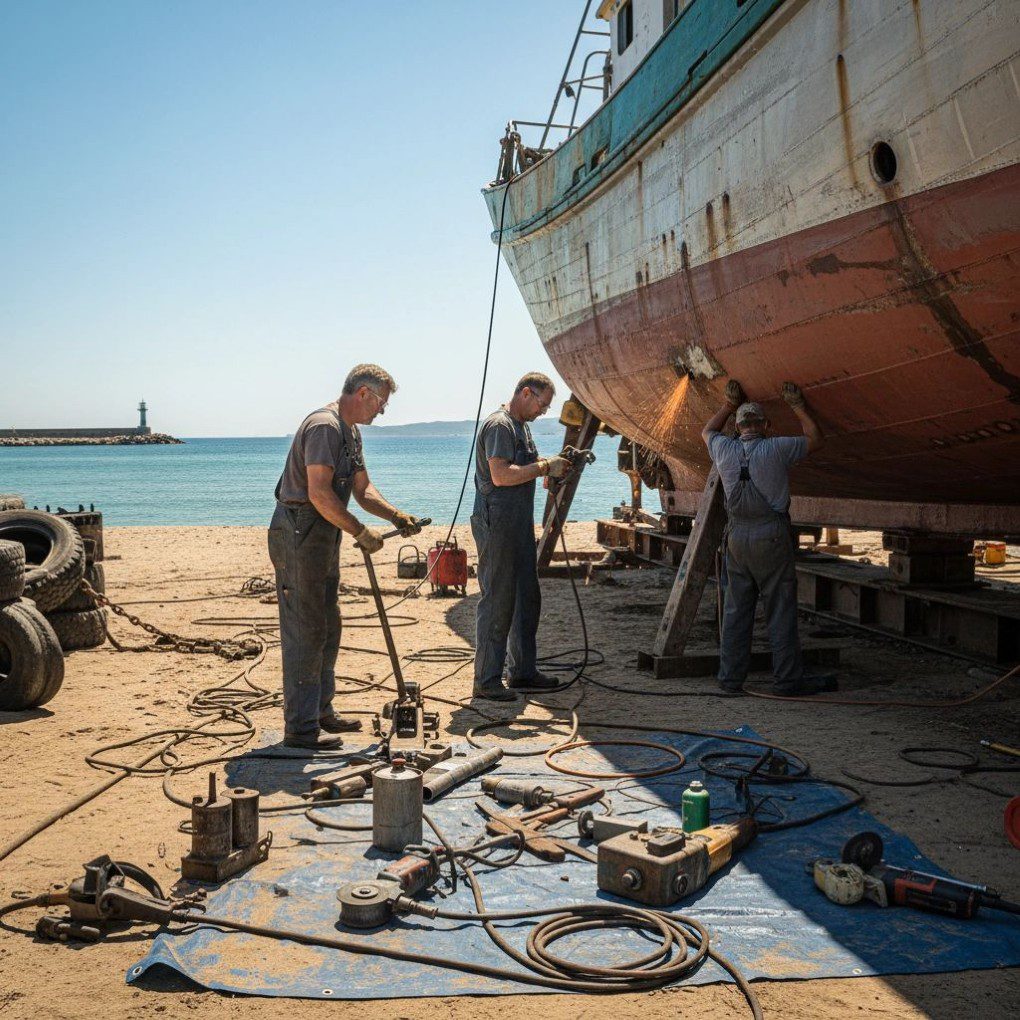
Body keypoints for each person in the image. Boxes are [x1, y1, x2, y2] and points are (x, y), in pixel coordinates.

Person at [269, 364, 422, 748]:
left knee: (328, 624)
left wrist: (395, 516)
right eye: (382, 402)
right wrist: (359, 530)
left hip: (323, 531)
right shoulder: (324, 426)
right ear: (363, 393)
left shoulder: (350, 432)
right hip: (300, 530)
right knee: (306, 629)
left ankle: (321, 711)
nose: (383, 411)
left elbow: (362, 489)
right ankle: (301, 729)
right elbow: (320, 493)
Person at [701, 380, 836, 696]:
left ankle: (730, 680)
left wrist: (728, 404)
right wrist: (797, 404)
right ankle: (787, 681)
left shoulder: (722, 448)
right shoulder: (777, 448)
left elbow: (707, 431)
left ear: (737, 427)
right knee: (780, 610)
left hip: (737, 538)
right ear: (766, 426)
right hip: (771, 538)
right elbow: (816, 439)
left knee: (736, 611)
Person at [471, 372, 571, 701]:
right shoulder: (500, 425)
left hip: (518, 524)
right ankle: (486, 681)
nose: (543, 412)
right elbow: (500, 476)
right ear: (526, 393)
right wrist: (544, 468)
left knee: (528, 597)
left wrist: (548, 467)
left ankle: (523, 672)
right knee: (498, 600)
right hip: (496, 523)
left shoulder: (521, 426)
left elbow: (523, 470)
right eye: (541, 404)